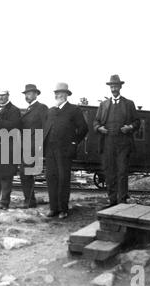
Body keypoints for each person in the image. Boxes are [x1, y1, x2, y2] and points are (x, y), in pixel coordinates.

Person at [93, 75, 140, 207]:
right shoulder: (103, 105)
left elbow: (137, 122)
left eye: (116, 86)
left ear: (120, 87)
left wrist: (130, 127)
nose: (114, 89)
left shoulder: (129, 104)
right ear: (110, 88)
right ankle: (112, 200)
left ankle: (122, 200)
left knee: (122, 171)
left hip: (123, 143)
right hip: (107, 143)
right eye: (112, 86)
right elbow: (95, 122)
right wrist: (99, 128)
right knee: (109, 172)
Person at [43, 83, 88, 218]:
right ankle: (53, 208)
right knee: (51, 178)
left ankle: (63, 209)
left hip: (64, 151)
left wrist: (73, 143)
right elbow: (46, 129)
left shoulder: (74, 110)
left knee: (63, 179)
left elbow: (84, 128)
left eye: (62, 93)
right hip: (50, 150)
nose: (58, 95)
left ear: (67, 95)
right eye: (57, 93)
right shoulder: (50, 111)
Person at [19, 84, 48, 208]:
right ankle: (30, 200)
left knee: (27, 173)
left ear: (36, 94)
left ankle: (30, 201)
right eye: (26, 94)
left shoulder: (41, 108)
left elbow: (46, 127)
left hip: (34, 145)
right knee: (25, 173)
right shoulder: (29, 109)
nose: (27, 96)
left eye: (29, 93)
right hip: (26, 145)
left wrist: (40, 145)